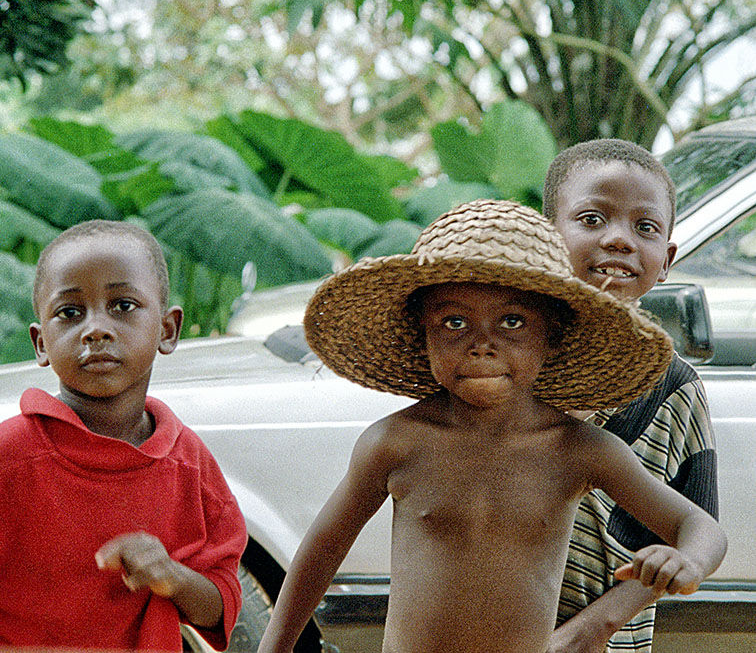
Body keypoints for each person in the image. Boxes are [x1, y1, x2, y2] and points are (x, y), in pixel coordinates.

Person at [257, 199, 726, 653]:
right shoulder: (394, 443)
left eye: (512, 322)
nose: (482, 344)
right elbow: (319, 555)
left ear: (551, 336)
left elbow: (701, 528)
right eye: (455, 322)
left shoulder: (579, 449)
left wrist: (687, 558)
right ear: (423, 333)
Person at [0, 220, 247, 652]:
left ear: (167, 330)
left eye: (123, 305)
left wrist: (172, 576)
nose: (96, 329)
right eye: (70, 313)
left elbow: (221, 604)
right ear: (41, 343)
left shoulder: (187, 463)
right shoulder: (9, 457)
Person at [543, 138, 719, 653]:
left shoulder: (676, 388)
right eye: (593, 219)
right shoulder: (504, 362)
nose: (619, 240)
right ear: (547, 236)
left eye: (644, 227)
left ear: (665, 260)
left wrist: (589, 630)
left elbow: (695, 530)